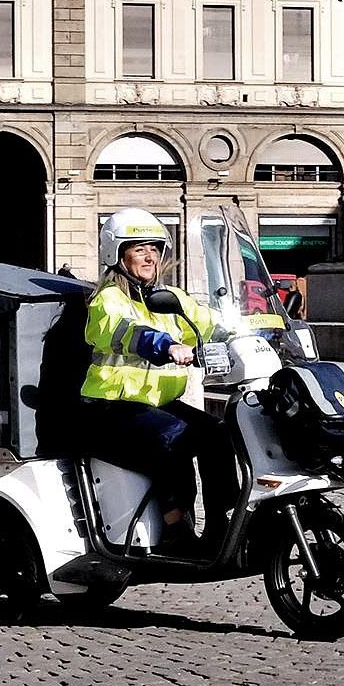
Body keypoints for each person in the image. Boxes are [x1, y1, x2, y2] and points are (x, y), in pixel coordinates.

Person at [77, 209, 239, 554]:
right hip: (110, 409)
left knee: (217, 432)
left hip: (155, 404)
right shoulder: (107, 300)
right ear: (117, 254)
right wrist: (165, 346)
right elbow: (123, 332)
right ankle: (175, 529)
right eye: (138, 248)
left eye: (154, 248)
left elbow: (205, 321)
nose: (150, 256)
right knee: (173, 437)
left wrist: (246, 333)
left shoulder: (168, 298)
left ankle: (222, 521)